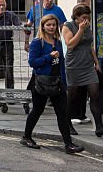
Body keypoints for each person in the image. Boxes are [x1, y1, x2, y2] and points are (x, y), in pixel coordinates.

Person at [21, 14, 83, 154]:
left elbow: (61, 64)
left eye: (54, 25)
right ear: (43, 26)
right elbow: (33, 62)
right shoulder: (38, 42)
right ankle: (26, 136)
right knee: (37, 110)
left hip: (57, 82)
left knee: (62, 113)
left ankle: (68, 144)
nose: (51, 27)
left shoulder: (58, 42)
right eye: (48, 25)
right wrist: (49, 57)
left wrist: (64, 83)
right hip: (41, 83)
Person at [62, 4, 103, 137]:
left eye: (88, 18)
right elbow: (70, 45)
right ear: (77, 17)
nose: (86, 20)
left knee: (95, 94)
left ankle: (100, 127)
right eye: (84, 17)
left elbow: (89, 46)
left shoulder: (87, 26)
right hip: (74, 66)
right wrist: (80, 30)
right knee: (72, 97)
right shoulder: (67, 26)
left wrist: (96, 62)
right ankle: (67, 125)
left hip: (87, 66)